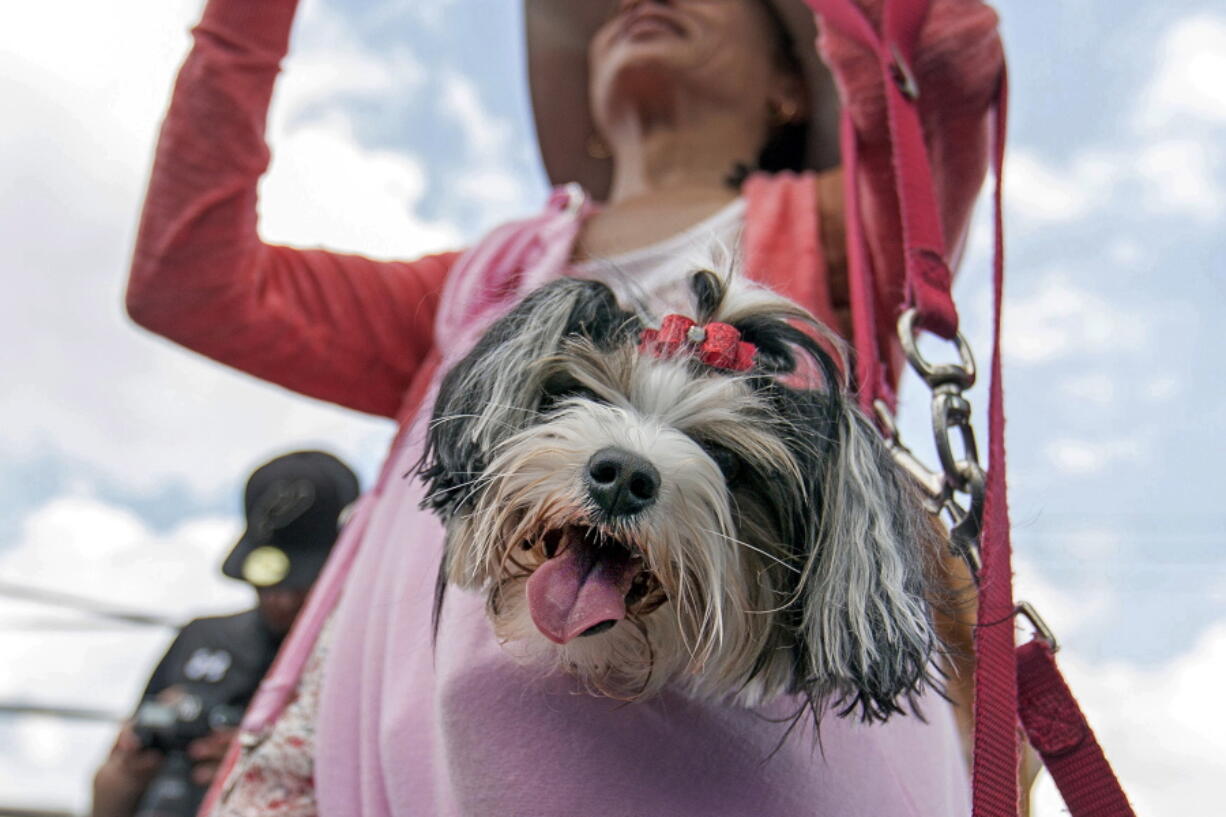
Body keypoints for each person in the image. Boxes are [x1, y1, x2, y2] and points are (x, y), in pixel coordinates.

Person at [125, 0, 1004, 814]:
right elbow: (189, 283)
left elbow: (946, 57)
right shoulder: (479, 282)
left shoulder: (843, 227)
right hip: (389, 765)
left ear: (789, 78)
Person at [90, 451, 358, 817]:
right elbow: (109, 791)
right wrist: (130, 768)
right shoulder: (201, 637)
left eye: (303, 581)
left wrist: (271, 771)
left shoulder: (361, 661)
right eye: (268, 581)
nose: (281, 599)